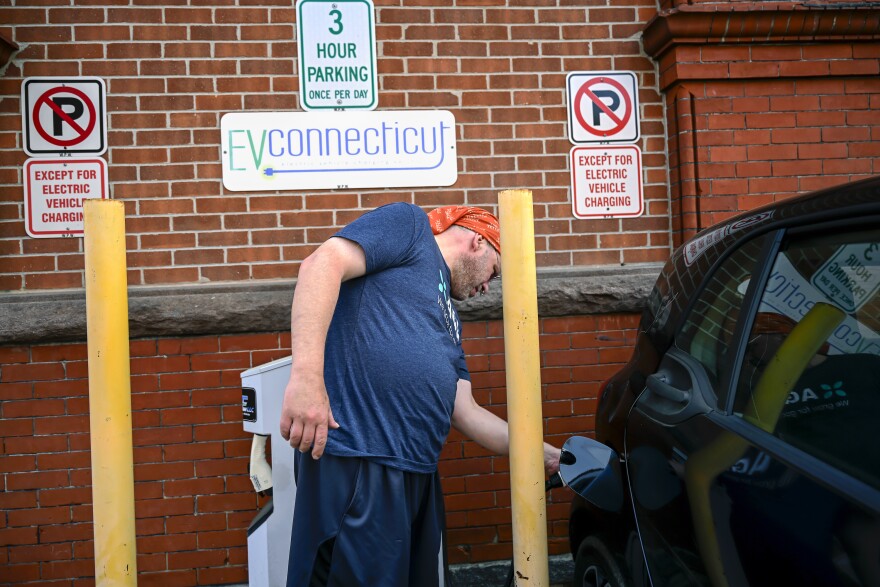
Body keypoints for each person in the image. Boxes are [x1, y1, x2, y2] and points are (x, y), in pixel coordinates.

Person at [279, 202, 561, 587]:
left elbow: (467, 411)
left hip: (417, 475)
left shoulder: (450, 319)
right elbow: (321, 265)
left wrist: (538, 451)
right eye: (494, 273)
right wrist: (307, 379)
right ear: (478, 241)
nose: (485, 288)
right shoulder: (410, 227)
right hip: (361, 456)